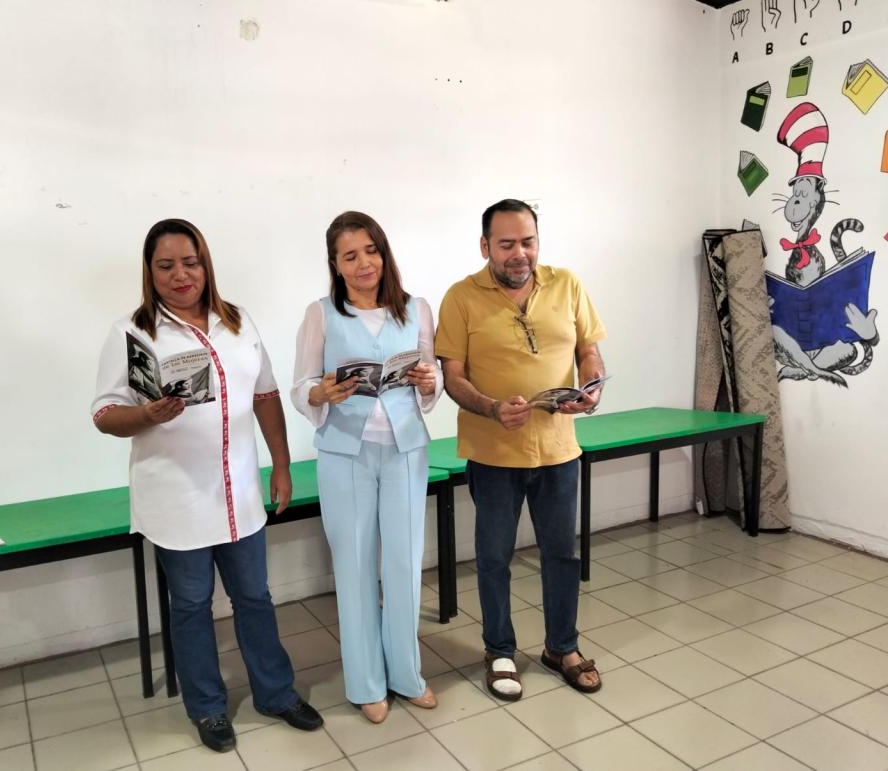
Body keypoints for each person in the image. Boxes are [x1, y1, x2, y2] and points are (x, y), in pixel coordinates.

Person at [91, 218, 323, 753]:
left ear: (206, 264)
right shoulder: (133, 332)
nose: (181, 275)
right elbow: (104, 414)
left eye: (190, 262)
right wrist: (146, 414)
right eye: (166, 265)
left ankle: (276, 694)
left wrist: (281, 465)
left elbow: (265, 394)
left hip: (240, 492)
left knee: (254, 597)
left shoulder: (237, 321)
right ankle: (207, 707)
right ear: (150, 272)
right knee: (192, 604)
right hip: (176, 499)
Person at [434, 199, 606, 699]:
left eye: (528, 242)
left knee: (562, 555)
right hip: (493, 454)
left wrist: (592, 386)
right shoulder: (460, 297)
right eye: (506, 244)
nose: (519, 253)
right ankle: (499, 650)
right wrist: (490, 408)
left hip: (558, 450)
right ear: (484, 246)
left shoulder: (567, 284)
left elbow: (589, 350)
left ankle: (562, 647)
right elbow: (452, 376)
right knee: (493, 558)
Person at [292, 211, 442, 723]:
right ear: (335, 264)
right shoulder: (321, 315)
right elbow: (301, 385)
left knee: (404, 563)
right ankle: (365, 683)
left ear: (384, 253)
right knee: (354, 566)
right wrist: (320, 392)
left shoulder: (416, 309)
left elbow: (432, 374)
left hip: (405, 449)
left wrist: (430, 381)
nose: (364, 264)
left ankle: (407, 674)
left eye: (371, 251)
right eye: (350, 256)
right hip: (344, 454)